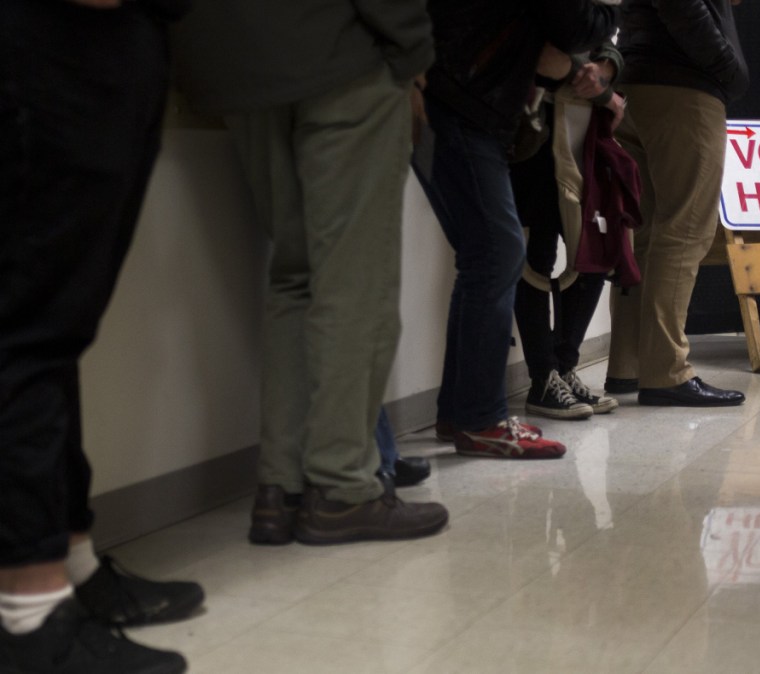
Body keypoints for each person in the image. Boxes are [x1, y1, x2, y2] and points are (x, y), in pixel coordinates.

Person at [171, 1, 449, 546]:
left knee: (294, 274)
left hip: (235, 58)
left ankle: (281, 489)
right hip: (342, 52)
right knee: (355, 283)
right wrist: (414, 53)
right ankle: (343, 489)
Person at [0, 1, 204, 672]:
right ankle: (27, 615)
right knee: (29, 333)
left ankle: (74, 568)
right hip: (63, 31)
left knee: (59, 332)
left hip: (123, 33)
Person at [415, 0, 619, 458]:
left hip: (453, 98)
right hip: (462, 103)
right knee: (497, 253)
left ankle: (461, 411)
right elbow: (580, 23)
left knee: (482, 255)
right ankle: (481, 418)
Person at [604, 0, 749, 408]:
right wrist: (729, 70)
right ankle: (667, 371)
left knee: (648, 234)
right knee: (684, 232)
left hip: (638, 82)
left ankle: (627, 365)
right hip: (684, 87)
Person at [511, 43, 633, 420]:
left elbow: (604, 44)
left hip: (576, 133)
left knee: (593, 252)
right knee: (536, 258)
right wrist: (603, 89)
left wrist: (607, 67)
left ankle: (563, 366)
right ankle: (543, 376)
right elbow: (545, 45)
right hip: (530, 130)